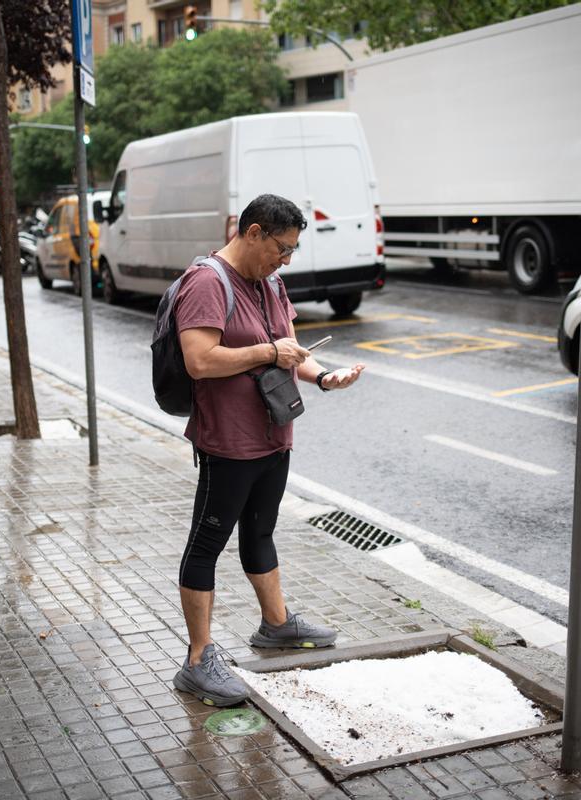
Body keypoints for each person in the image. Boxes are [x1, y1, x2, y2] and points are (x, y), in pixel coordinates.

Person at [171, 193, 365, 707]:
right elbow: (200, 360)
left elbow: (290, 351)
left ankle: (276, 625)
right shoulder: (208, 283)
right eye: (282, 247)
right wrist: (267, 352)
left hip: (274, 432)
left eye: (292, 250)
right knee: (206, 544)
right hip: (228, 441)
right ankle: (197, 659)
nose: (286, 259)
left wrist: (323, 377)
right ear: (252, 232)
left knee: (261, 531)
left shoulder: (272, 283)